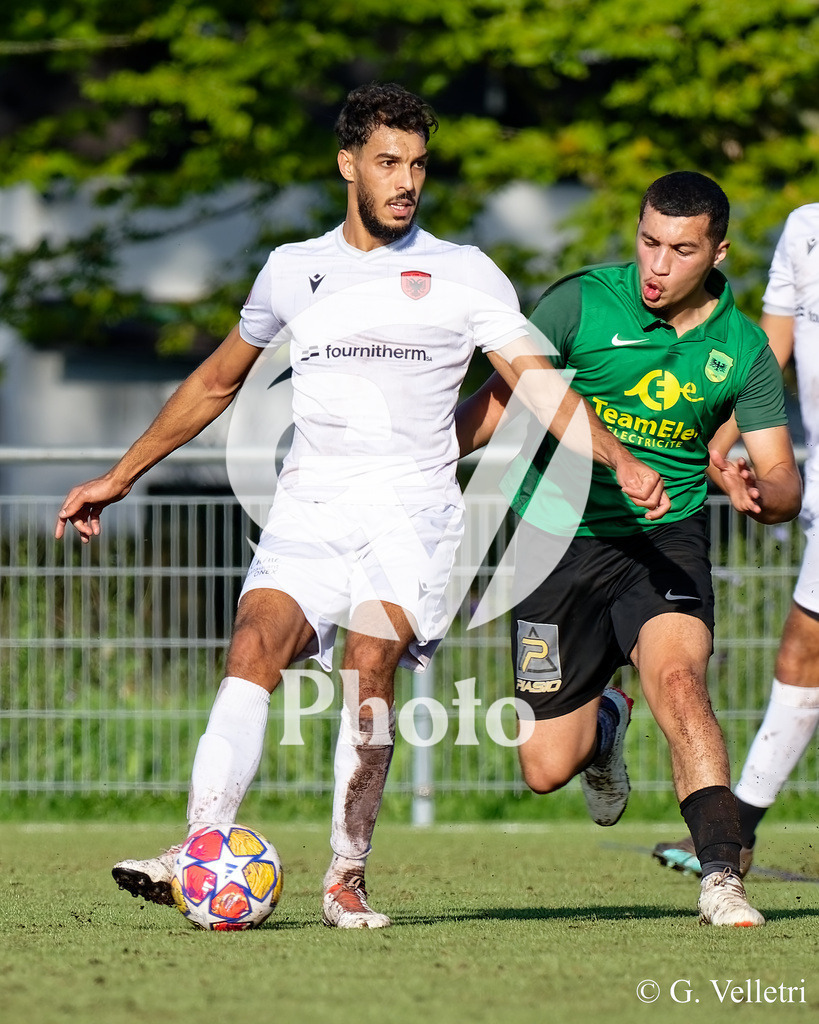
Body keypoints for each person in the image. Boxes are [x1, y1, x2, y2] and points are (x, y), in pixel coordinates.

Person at [55, 82, 668, 929]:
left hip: (412, 517)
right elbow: (216, 381)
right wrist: (121, 474)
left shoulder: (465, 272)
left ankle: (346, 875)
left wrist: (619, 458)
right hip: (309, 511)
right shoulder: (291, 268)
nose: (405, 180)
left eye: (416, 164)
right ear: (349, 164)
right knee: (253, 645)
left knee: (367, 671)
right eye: (387, 162)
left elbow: (535, 383)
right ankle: (200, 844)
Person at [456, 171, 802, 927]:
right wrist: (415, 461)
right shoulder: (577, 302)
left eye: (680, 250)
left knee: (678, 684)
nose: (656, 265)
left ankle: (720, 876)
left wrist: (760, 492)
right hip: (551, 541)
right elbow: (500, 400)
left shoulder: (742, 349)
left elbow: (781, 478)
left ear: (716, 251)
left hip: (663, 539)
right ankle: (604, 723)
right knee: (547, 768)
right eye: (648, 242)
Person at [653, 202, 819, 879]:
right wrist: (717, 448)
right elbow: (766, 354)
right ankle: (740, 826)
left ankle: (738, 827)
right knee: (804, 647)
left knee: (805, 642)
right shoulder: (804, 229)